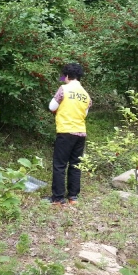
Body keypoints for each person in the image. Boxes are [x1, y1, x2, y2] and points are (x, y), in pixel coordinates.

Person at [47, 63, 92, 205]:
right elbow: (85, 113)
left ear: (67, 76)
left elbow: (51, 106)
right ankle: (73, 197)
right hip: (81, 133)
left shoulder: (64, 89)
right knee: (75, 165)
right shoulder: (86, 95)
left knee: (60, 165)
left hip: (66, 131)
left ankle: (58, 198)